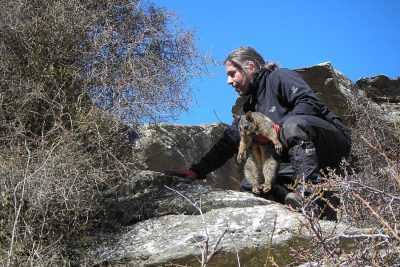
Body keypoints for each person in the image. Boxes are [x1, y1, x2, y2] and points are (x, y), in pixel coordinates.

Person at [171, 46, 351, 213]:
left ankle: (309, 197)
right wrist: (196, 171)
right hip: (297, 157)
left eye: (232, 74)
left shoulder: (280, 77)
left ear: (250, 66)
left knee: (292, 126)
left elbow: (308, 102)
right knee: (252, 184)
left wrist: (277, 128)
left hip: (330, 142)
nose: (229, 81)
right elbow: (228, 142)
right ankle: (290, 199)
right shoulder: (250, 106)